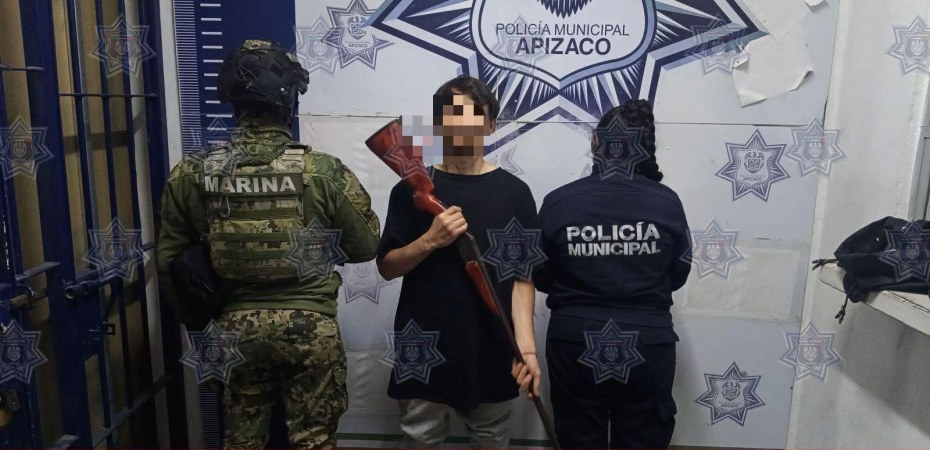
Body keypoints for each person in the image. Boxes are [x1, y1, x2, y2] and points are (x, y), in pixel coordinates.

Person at [155, 39, 380, 449]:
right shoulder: (322, 170)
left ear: (233, 102)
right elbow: (366, 246)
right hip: (311, 326)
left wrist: (199, 327)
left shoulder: (191, 173)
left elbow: (169, 261)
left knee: (241, 442)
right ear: (288, 100)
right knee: (313, 441)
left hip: (232, 329)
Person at [376, 75, 541, 448]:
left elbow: (522, 278)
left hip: (492, 345)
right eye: (450, 115)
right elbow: (387, 267)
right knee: (420, 438)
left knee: (491, 438)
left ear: (491, 125)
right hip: (422, 346)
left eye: (473, 115)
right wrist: (431, 240)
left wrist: (527, 349)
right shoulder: (410, 190)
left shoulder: (515, 194)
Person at [516, 100, 691, 448]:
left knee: (578, 438)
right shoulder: (667, 202)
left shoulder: (559, 201)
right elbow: (678, 273)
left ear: (596, 141)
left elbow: (537, 274)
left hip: (574, 339)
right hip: (648, 339)